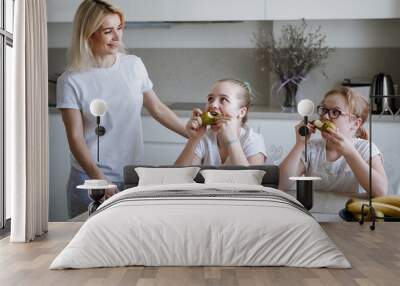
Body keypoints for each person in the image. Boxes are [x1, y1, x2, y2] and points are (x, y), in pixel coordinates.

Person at [57, 0, 187, 218]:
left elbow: (157, 109)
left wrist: (193, 135)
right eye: (108, 31)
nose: (118, 37)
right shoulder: (71, 81)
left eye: (119, 28)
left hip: (133, 177)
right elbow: (75, 138)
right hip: (91, 180)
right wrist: (100, 180)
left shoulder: (133, 65)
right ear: (88, 34)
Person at [279, 86, 388, 197]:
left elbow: (380, 192)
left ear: (356, 123)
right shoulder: (311, 149)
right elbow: (282, 184)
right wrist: (300, 144)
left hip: (349, 211)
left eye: (335, 112)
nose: (325, 116)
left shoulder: (365, 149)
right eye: (324, 110)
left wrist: (350, 153)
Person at [175, 79, 267, 166]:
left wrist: (232, 141)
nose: (213, 104)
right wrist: (193, 140)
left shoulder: (253, 141)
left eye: (223, 99)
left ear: (241, 112)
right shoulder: (203, 138)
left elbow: (251, 180)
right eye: (210, 99)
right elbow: (179, 176)